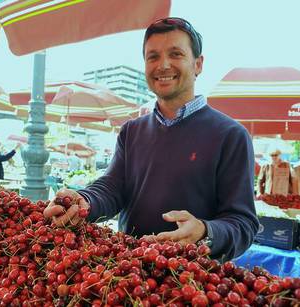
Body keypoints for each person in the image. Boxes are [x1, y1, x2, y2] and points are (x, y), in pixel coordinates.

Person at [44, 17, 258, 261]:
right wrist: (85, 201)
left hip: (189, 283)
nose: (163, 65)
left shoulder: (231, 135)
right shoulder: (131, 131)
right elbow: (114, 188)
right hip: (127, 274)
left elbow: (243, 223)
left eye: (176, 54)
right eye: (153, 56)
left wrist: (205, 231)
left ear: (198, 64)